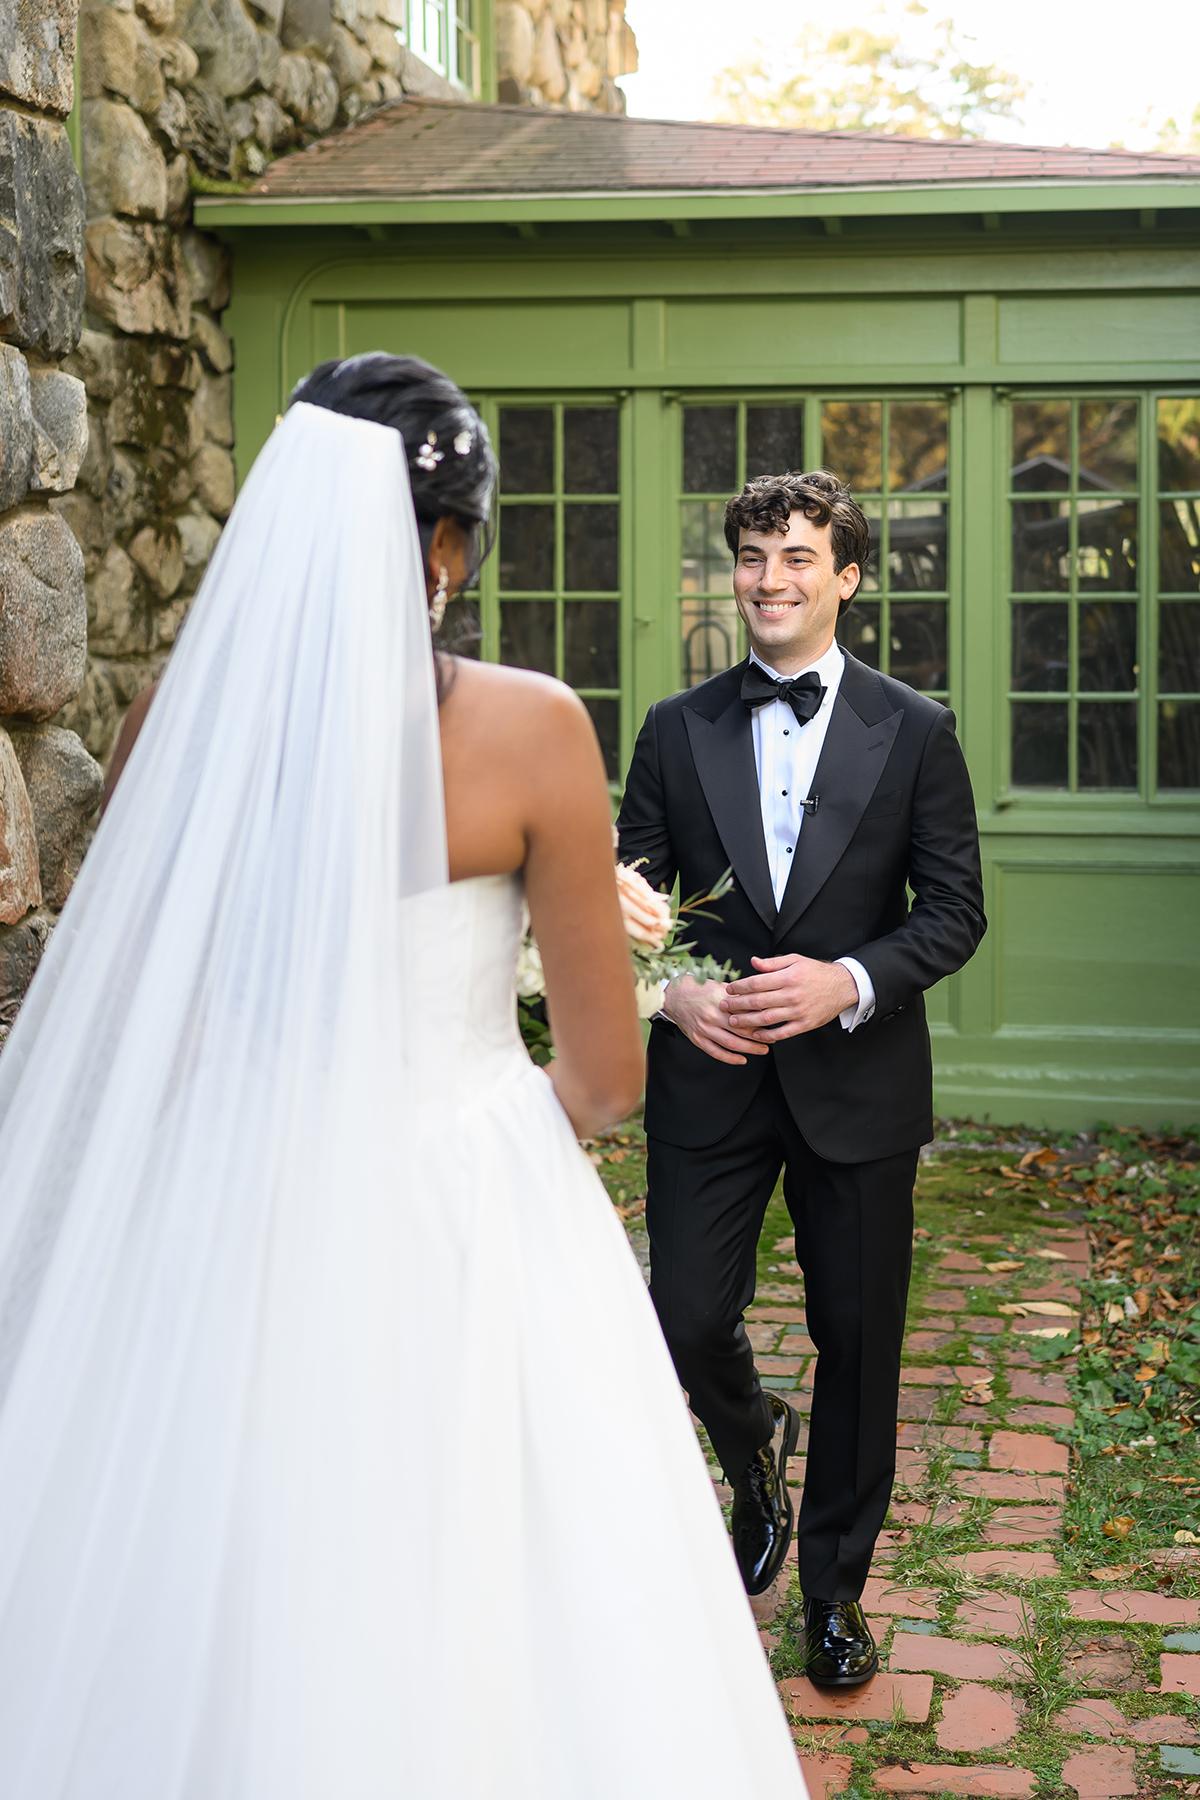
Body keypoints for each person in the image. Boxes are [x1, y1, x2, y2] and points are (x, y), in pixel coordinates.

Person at [0, 356, 807, 1798]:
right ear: (448, 547)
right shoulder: (532, 727)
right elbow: (608, 1075)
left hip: (235, 1203)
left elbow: (149, 1020)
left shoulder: (171, 736)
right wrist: (472, 1118)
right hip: (467, 1206)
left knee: (223, 1562)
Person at [617, 469, 986, 1688]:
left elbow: (955, 914)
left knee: (859, 1342)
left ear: (847, 576)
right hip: (710, 1077)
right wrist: (669, 991)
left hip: (859, 1084)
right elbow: (625, 901)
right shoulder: (676, 729)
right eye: (751, 556)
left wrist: (851, 982)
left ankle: (832, 1593)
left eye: (795, 556)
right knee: (682, 1320)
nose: (769, 579)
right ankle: (750, 1442)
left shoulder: (916, 730)